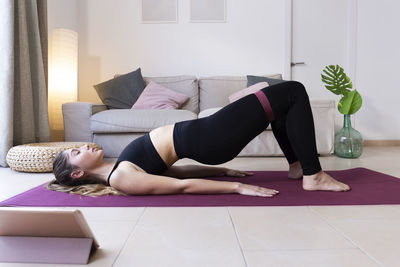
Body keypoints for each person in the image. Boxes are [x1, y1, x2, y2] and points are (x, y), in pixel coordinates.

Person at [51, 81, 350, 198]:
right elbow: (181, 186)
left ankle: (298, 166)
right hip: (211, 137)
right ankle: (314, 175)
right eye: (77, 152)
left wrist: (223, 170)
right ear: (77, 172)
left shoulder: (120, 169)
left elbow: (176, 171)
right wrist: (236, 187)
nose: (84, 146)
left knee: (281, 107)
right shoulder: (121, 179)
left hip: (208, 135)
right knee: (293, 90)